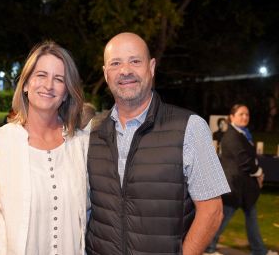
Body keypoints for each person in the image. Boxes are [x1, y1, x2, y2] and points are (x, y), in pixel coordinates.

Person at [86, 32, 231, 255]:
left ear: (151, 67)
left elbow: (212, 211)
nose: (125, 70)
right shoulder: (92, 133)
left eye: (135, 61)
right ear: (106, 74)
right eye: (116, 63)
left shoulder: (190, 128)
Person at [0, 41, 89, 255]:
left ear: (67, 92)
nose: (48, 85)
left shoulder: (82, 144)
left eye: (58, 79)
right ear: (25, 84)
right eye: (41, 75)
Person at [205, 104, 278, 255]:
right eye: (241, 114)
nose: (245, 117)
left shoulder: (243, 134)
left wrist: (257, 171)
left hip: (244, 187)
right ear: (232, 117)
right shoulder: (232, 135)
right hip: (234, 187)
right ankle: (208, 248)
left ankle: (259, 250)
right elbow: (243, 160)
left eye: (247, 114)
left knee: (251, 218)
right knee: (221, 219)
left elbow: (249, 158)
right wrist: (258, 173)